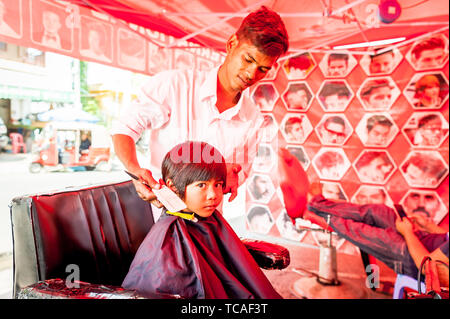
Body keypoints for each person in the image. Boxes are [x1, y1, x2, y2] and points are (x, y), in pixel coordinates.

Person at [111, 6, 289, 218]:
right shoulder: (174, 85)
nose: (251, 74)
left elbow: (238, 173)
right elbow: (125, 128)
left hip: (205, 226)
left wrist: (231, 177)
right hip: (158, 217)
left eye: (263, 69)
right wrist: (134, 169)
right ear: (232, 44)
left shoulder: (253, 120)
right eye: (248, 59)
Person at [122, 141, 281, 298]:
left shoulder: (210, 219)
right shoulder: (169, 237)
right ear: (172, 186)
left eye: (218, 184)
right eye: (201, 185)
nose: (213, 195)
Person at [276, 152, 448, 287]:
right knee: (381, 212)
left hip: (415, 261)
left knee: (362, 230)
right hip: (421, 241)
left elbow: (428, 267)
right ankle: (318, 204)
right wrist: (429, 226)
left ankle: (310, 209)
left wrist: (408, 233)